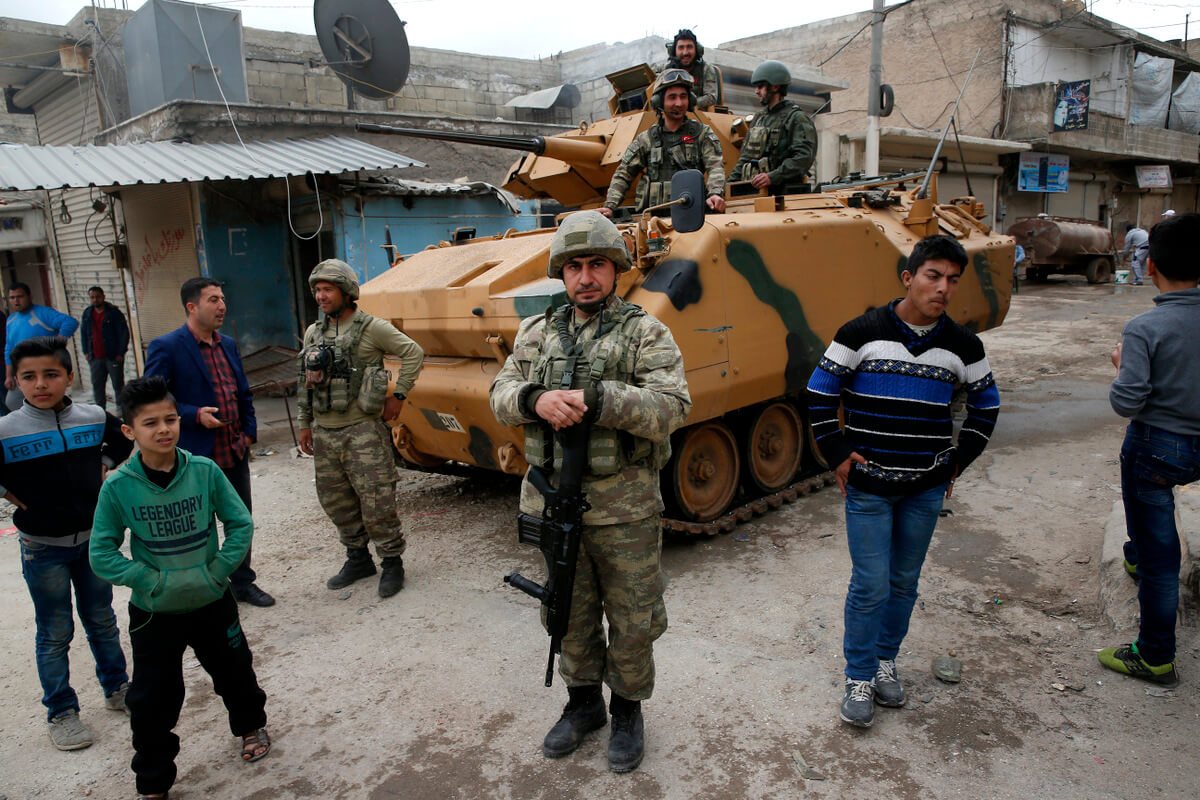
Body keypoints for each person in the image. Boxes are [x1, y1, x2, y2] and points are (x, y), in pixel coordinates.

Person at [490, 211, 691, 772]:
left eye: (597, 264)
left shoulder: (646, 332)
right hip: (554, 502)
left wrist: (603, 399)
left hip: (624, 506)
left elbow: (673, 408)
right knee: (569, 613)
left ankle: (627, 711)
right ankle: (583, 707)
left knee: (633, 617)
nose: (585, 277)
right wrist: (535, 400)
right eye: (574, 266)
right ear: (562, 272)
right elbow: (499, 390)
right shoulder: (536, 333)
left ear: (616, 270)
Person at [806, 234, 1000, 729]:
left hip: (925, 486)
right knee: (870, 585)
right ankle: (859, 676)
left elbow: (987, 405)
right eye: (933, 276)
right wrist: (837, 455)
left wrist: (958, 461)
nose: (943, 288)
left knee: (903, 583)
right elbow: (818, 394)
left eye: (953, 280)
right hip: (869, 484)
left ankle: (886, 660)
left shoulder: (963, 345)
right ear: (908, 277)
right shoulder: (861, 333)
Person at [90, 376, 270, 800]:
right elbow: (103, 554)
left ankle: (249, 726)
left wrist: (218, 570)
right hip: (155, 612)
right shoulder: (118, 486)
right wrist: (149, 580)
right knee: (153, 698)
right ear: (130, 432)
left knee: (235, 671)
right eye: (150, 423)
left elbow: (239, 522)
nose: (164, 429)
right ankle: (153, 779)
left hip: (212, 600)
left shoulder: (204, 471)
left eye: (170, 419)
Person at [1, 335, 132, 751]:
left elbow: (124, 437)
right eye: (29, 377)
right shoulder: (7, 430)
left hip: (93, 543)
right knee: (54, 632)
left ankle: (117, 688)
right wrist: (8, 495)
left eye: (51, 374)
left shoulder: (93, 417)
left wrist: (107, 464)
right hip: (42, 548)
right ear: (16, 381)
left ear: (69, 376)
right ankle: (61, 711)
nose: (41, 384)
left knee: (102, 620)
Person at [1101, 212, 1200, 688]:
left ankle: (1156, 655)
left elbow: (1127, 402)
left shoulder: (1145, 327)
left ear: (1152, 266)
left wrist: (1122, 366)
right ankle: (1137, 551)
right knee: (1151, 542)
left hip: (1157, 448)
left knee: (1162, 561)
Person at [297, 259, 424, 599]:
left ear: (347, 292)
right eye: (318, 290)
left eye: (328, 290)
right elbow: (304, 380)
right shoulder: (314, 333)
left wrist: (398, 394)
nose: (321, 297)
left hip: (363, 432)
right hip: (325, 431)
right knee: (336, 501)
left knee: (377, 500)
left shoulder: (372, 329)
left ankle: (392, 563)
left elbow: (413, 352)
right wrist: (304, 423)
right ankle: (357, 559)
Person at [145, 278, 275, 607]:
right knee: (198, 526)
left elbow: (242, 391)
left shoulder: (227, 344)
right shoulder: (168, 346)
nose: (222, 306)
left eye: (222, 299)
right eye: (213, 300)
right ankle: (204, 587)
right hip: (194, 454)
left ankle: (243, 582)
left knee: (239, 520)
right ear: (192, 307)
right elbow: (152, 395)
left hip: (233, 449)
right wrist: (191, 414)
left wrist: (249, 432)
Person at [600, 69, 725, 216]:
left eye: (683, 97)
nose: (678, 103)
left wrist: (715, 193)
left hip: (692, 216)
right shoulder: (646, 139)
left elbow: (715, 166)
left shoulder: (701, 133)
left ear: (690, 100)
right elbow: (624, 173)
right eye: (672, 97)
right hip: (654, 219)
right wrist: (610, 206)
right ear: (659, 102)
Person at [729, 60, 818, 195]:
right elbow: (745, 158)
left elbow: (803, 158)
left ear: (775, 87)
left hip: (786, 196)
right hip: (755, 194)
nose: (756, 91)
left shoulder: (797, 118)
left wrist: (772, 177)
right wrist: (727, 187)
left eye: (760, 86)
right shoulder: (759, 118)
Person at [5, 283, 78, 412]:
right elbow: (9, 348)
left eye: (20, 296)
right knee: (12, 401)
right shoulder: (11, 320)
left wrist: (59, 342)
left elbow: (70, 322)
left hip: (45, 368)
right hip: (23, 370)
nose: (16, 301)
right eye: (12, 297)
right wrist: (9, 375)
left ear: (29, 296)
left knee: (50, 402)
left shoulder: (43, 313)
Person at [80, 286, 130, 409]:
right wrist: (86, 351)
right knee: (97, 385)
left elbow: (123, 334)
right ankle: (100, 411)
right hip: (95, 357)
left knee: (118, 384)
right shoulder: (87, 313)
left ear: (103, 297)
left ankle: (122, 410)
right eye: (92, 297)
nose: (95, 300)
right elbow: (84, 333)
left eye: (97, 296)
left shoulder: (114, 313)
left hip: (112, 356)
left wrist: (120, 353)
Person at [654, 28, 722, 110]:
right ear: (674, 51)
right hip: (670, 113)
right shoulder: (665, 69)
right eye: (681, 48)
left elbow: (711, 97)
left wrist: (686, 103)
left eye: (689, 47)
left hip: (699, 115)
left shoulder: (705, 69)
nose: (685, 52)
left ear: (697, 50)